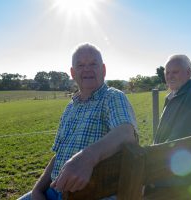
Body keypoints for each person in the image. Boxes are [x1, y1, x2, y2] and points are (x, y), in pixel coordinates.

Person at [19, 43, 138, 200]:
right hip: (54, 192)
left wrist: (86, 158)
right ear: (73, 73)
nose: (87, 69)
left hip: (94, 193)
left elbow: (125, 132)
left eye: (93, 64)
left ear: (103, 69)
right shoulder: (70, 107)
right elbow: (59, 155)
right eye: (80, 65)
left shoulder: (112, 96)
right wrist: (37, 191)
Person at [154, 54, 191, 144]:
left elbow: (180, 137)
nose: (170, 76)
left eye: (175, 72)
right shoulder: (172, 96)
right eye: (167, 73)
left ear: (188, 73)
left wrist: (155, 154)